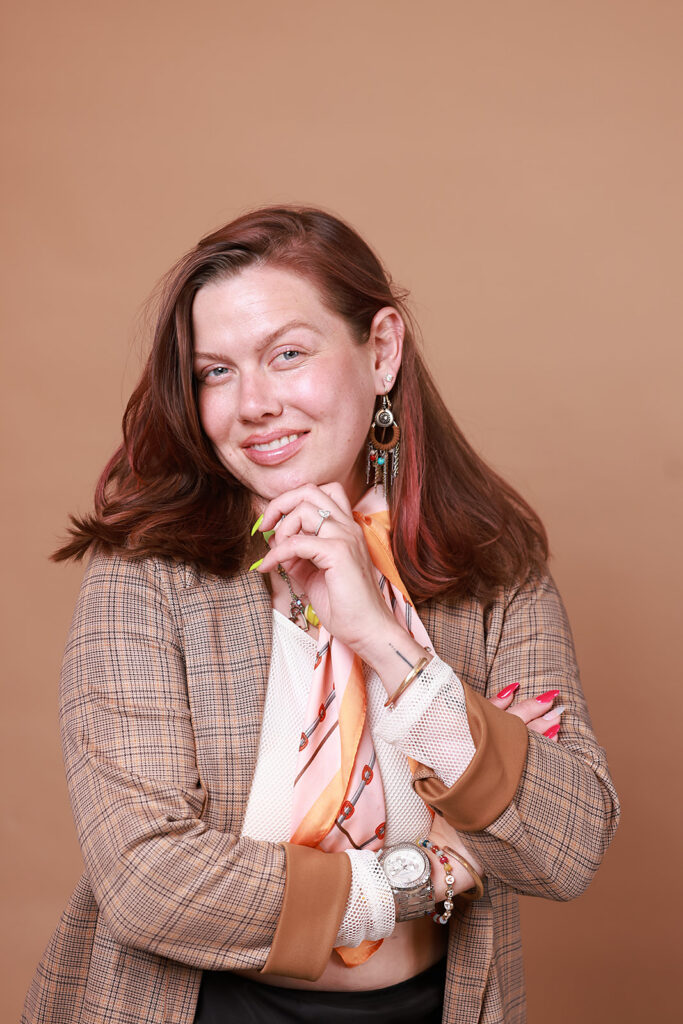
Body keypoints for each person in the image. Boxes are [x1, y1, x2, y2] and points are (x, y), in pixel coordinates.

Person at [22, 206, 619, 1024]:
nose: (253, 403)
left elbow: (567, 844)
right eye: (215, 372)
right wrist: (424, 875)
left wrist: (385, 640)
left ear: (381, 350)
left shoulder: (494, 573)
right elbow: (148, 881)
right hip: (195, 1008)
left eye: (287, 355)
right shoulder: (145, 576)